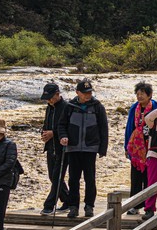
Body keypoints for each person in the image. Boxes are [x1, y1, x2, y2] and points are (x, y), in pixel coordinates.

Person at [57, 79, 108, 219]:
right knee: (73, 179)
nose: (88, 95)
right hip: (73, 148)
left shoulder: (97, 107)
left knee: (90, 178)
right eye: (85, 93)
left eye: (90, 92)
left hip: (90, 148)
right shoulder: (70, 106)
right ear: (77, 92)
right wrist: (63, 137)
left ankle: (89, 206)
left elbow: (104, 128)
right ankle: (73, 206)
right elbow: (61, 125)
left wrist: (102, 148)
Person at [124, 81, 157, 215]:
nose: (139, 96)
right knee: (136, 176)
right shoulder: (134, 108)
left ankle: (149, 206)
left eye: (142, 94)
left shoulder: (155, 107)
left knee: (149, 177)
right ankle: (135, 205)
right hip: (136, 147)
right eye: (137, 94)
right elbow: (129, 127)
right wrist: (127, 146)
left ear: (149, 95)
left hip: (150, 146)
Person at [39, 82, 70, 216]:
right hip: (50, 146)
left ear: (58, 94)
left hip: (63, 147)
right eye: (47, 98)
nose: (49, 100)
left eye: (51, 97)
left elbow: (68, 128)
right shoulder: (49, 108)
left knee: (57, 176)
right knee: (53, 176)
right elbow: (47, 123)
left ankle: (49, 205)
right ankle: (68, 200)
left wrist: (54, 133)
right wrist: (44, 133)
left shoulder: (66, 107)